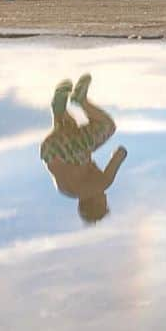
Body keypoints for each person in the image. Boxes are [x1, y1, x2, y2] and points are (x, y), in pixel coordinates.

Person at [40, 74, 127, 223]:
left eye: (104, 202)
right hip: (48, 151)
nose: (105, 197)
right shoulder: (66, 191)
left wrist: (118, 155)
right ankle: (59, 111)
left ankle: (81, 101)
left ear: (96, 203)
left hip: (72, 154)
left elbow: (120, 154)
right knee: (70, 131)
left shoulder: (101, 184)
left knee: (107, 127)